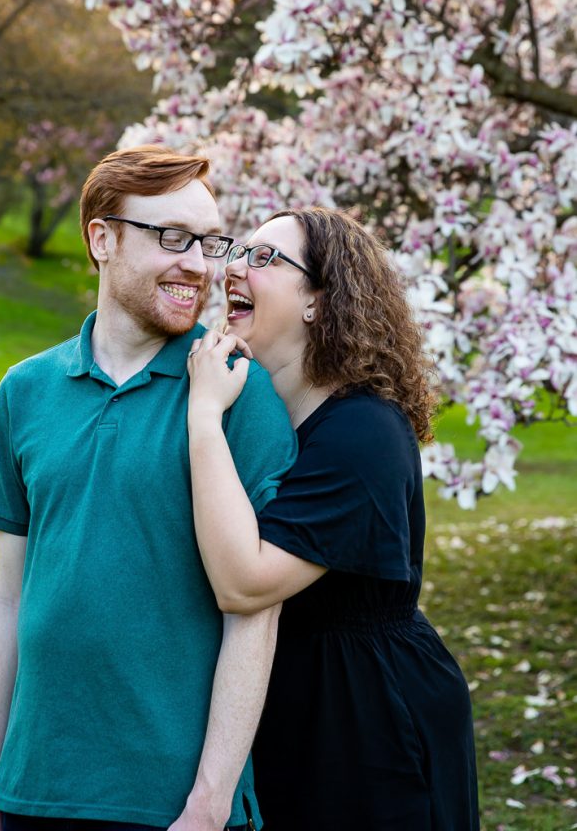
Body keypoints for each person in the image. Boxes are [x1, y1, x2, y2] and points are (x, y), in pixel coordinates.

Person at [0, 145, 297, 831]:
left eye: (208, 242)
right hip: (34, 791)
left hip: (171, 804)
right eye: (173, 238)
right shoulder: (25, 391)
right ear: (102, 238)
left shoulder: (237, 391)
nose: (199, 266)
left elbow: (255, 613)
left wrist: (208, 806)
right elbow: (6, 596)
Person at [186, 206, 480, 831]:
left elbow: (244, 583)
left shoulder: (361, 431)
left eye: (265, 259)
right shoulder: (275, 419)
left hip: (367, 715)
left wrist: (203, 416)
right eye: (240, 251)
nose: (236, 268)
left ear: (319, 301)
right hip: (303, 696)